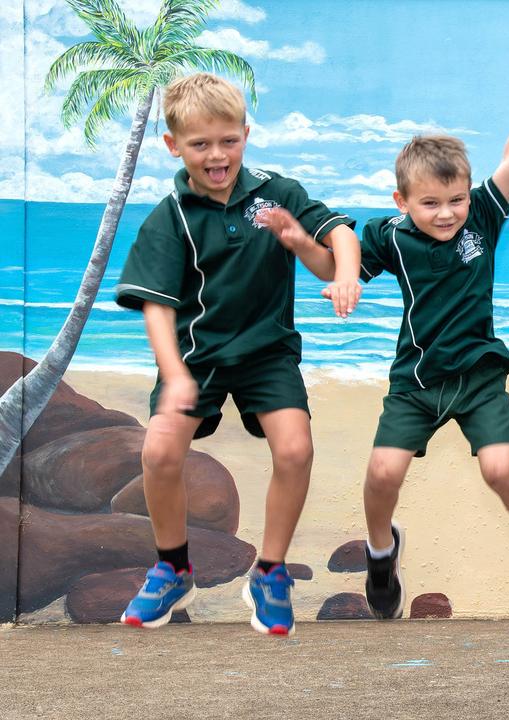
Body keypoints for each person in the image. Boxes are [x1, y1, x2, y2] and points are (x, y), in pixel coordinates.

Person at [115, 72, 362, 636]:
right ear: (174, 146)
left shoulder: (279, 192)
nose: (217, 154)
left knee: (295, 450)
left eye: (228, 140)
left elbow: (336, 242)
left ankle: (271, 573)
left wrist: (337, 268)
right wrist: (175, 375)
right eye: (200, 144)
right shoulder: (170, 216)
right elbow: (155, 307)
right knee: (159, 453)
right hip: (195, 357)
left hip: (266, 353)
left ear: (246, 134)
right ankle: (172, 567)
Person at [355, 51, 509, 622]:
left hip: (478, 376)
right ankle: (381, 553)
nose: (447, 213)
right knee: (382, 473)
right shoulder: (392, 235)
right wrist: (337, 276)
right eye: (431, 203)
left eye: (456, 200)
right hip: (417, 380)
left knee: (500, 469)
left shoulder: (482, 220)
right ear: (402, 202)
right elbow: (342, 250)